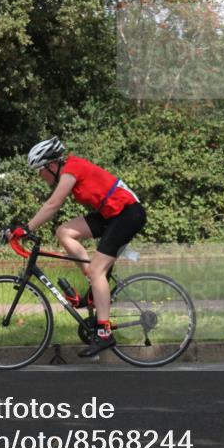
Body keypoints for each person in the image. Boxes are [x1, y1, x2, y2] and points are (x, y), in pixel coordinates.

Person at [13, 136, 146, 357]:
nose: (39, 176)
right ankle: (93, 283)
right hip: (111, 214)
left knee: (97, 270)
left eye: (40, 170)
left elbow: (53, 204)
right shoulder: (69, 170)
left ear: (52, 165)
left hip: (127, 213)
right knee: (64, 232)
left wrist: (27, 228)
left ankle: (105, 334)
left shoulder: (72, 169)